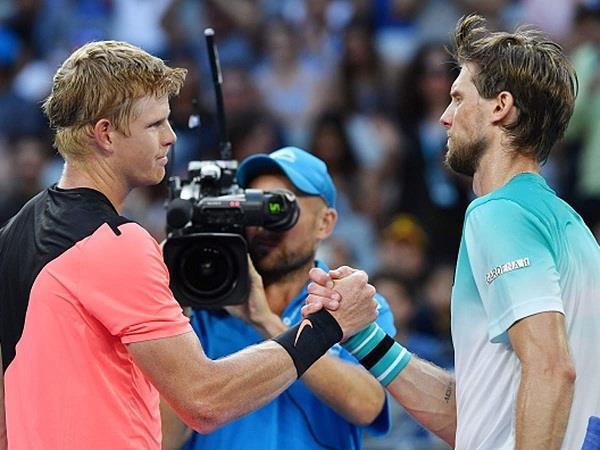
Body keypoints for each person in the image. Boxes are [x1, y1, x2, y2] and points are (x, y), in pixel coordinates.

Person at [0, 40, 379, 449]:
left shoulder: (13, 233)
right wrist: (327, 327)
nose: (170, 137)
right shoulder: (116, 244)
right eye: (154, 124)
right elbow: (205, 399)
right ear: (106, 134)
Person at [305, 14, 600, 450]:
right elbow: (473, 416)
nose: (445, 117)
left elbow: (552, 368)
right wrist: (363, 334)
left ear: (500, 107)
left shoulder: (499, 214)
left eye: (458, 98)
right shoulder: (567, 224)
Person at [163, 146, 395, 450]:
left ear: (325, 223)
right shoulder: (200, 307)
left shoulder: (349, 301)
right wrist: (174, 308)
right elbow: (165, 438)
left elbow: (367, 405)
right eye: (251, 204)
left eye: (278, 206)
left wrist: (267, 323)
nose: (263, 223)